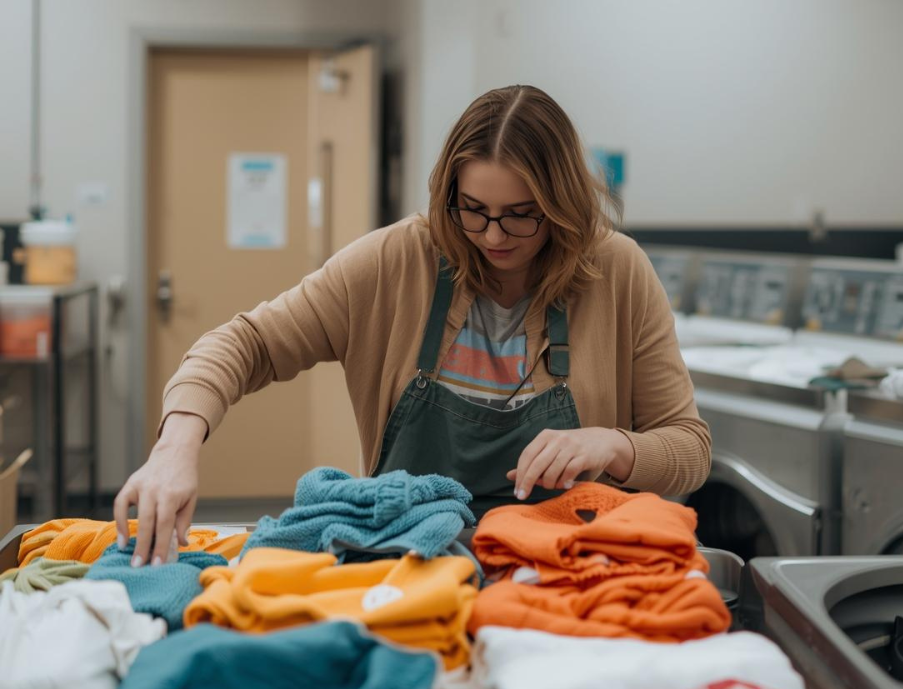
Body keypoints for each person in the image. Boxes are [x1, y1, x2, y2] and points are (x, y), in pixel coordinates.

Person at [115, 85, 711, 566]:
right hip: (408, 566)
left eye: (522, 217)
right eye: (473, 210)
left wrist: (616, 445)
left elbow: (689, 447)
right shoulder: (398, 261)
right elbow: (246, 343)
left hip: (565, 571)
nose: (494, 236)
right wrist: (175, 447)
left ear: (561, 206)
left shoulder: (616, 271)